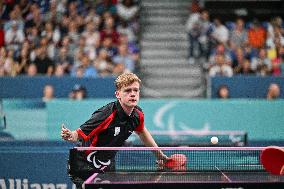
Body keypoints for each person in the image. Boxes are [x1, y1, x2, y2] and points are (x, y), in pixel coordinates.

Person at [61, 72, 169, 188]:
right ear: (118, 94)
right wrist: (71, 135)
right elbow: (79, 133)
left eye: (136, 90)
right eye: (128, 91)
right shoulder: (106, 114)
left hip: (106, 164)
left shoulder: (137, 115)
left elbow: (142, 132)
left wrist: (160, 156)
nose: (133, 94)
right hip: (84, 163)